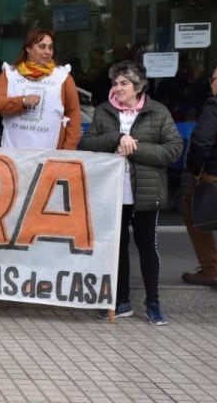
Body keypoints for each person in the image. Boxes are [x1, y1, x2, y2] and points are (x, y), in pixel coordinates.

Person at [79, 60, 182, 325]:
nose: (118, 87)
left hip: (147, 193)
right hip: (114, 192)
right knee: (118, 248)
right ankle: (120, 300)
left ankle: (153, 303)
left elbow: (172, 150)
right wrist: (115, 138)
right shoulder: (103, 111)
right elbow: (86, 143)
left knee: (147, 247)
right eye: (115, 82)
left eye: (124, 83)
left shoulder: (157, 112)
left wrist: (135, 147)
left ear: (139, 86)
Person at [0, 28, 82, 150]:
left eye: (50, 47)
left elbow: (73, 113)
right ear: (28, 49)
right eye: (42, 47)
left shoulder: (63, 76)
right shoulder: (10, 74)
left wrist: (68, 149)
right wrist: (22, 102)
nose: (47, 52)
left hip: (49, 152)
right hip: (13, 151)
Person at [182, 64, 217, 286]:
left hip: (213, 174)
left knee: (194, 213)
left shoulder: (215, 104)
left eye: (213, 79)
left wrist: (195, 169)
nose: (211, 84)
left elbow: (202, 140)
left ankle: (211, 268)